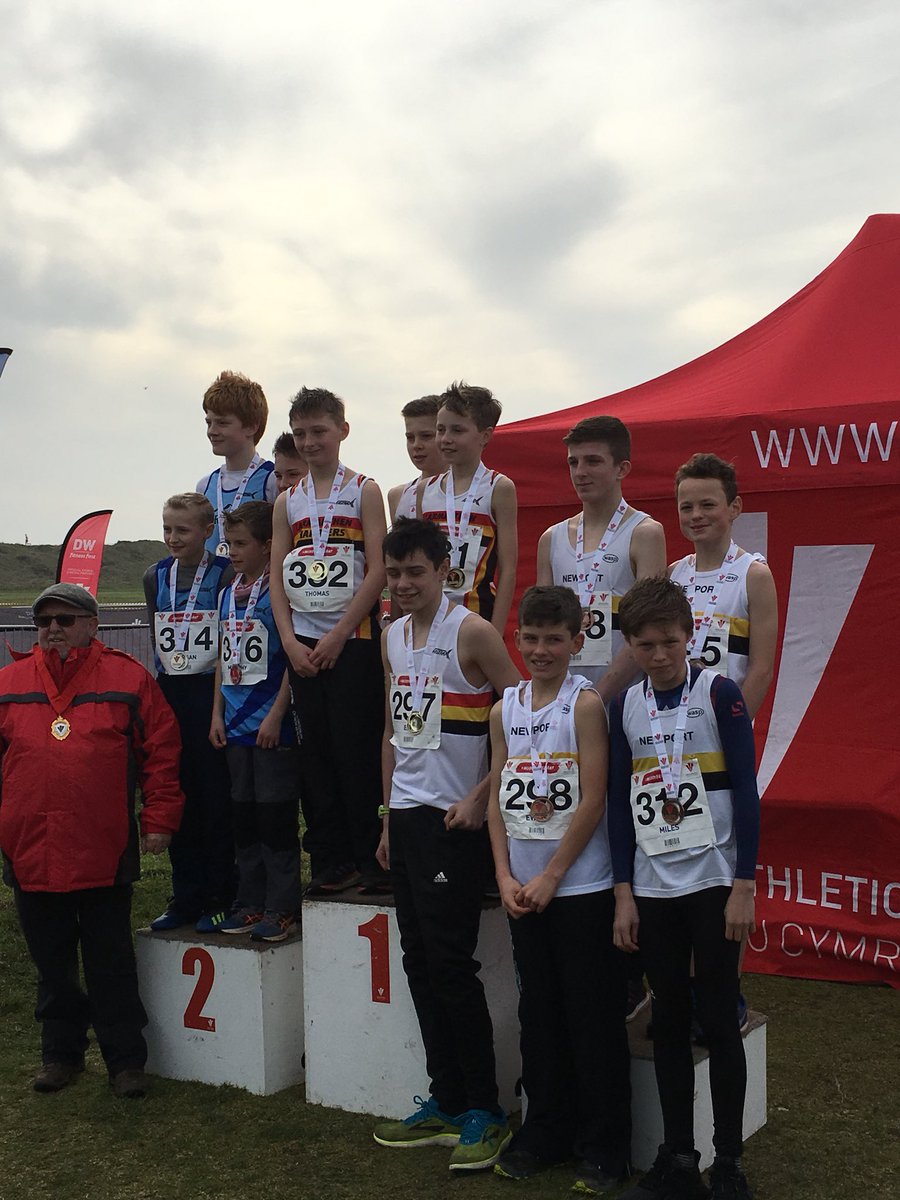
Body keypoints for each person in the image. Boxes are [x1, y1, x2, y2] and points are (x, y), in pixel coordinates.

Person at [372, 518, 520, 1172]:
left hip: (453, 823)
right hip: (405, 820)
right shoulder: (391, 636)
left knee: (451, 965)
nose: (404, 585)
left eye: (416, 573)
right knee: (417, 962)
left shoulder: (475, 632)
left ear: (443, 573)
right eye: (395, 573)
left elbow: (527, 718)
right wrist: (385, 818)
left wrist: (483, 795)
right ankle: (446, 1098)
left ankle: (486, 1110)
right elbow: (391, 733)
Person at [0, 583, 183, 1099]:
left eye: (64, 619)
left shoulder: (128, 678)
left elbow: (162, 753)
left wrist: (160, 817)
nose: (53, 629)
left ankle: (125, 1061)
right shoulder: (8, 683)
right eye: (44, 621)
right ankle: (60, 1056)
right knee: (52, 966)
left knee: (111, 963)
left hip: (103, 848)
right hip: (30, 850)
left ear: (91, 624)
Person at [608, 577, 759, 1200]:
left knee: (719, 1017)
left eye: (670, 641)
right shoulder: (625, 705)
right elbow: (619, 803)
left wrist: (744, 883)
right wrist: (623, 891)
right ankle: (678, 1157)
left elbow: (746, 794)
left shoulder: (720, 694)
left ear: (690, 635)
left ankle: (727, 1160)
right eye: (645, 645)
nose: (660, 654)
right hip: (654, 884)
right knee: (666, 1020)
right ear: (631, 646)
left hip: (715, 879)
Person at [487, 585, 632, 1192]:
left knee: (590, 1016)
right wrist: (503, 873)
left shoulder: (586, 705)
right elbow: (498, 794)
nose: (541, 650)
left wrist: (553, 875)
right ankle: (545, 1130)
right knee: (538, 1015)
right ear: (516, 640)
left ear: (578, 642)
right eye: (531, 638)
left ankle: (605, 1146)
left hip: (581, 889)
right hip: (523, 890)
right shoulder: (505, 708)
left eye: (554, 640)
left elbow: (594, 796)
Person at [269, 386, 387, 894]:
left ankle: (372, 857)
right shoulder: (286, 501)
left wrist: (340, 634)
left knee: (356, 752)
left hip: (354, 640)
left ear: (342, 429)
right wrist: (291, 643)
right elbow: (276, 577)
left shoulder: (364, 490)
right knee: (315, 758)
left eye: (319, 431)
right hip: (304, 647)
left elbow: (379, 569)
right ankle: (331, 859)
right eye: (301, 433)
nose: (310, 442)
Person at [210, 502, 302, 942]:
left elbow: (291, 657)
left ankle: (282, 907)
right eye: (228, 543)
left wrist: (278, 714)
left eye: (242, 544)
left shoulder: (280, 590)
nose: (232, 552)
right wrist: (216, 714)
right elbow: (222, 657)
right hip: (233, 723)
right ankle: (249, 902)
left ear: (268, 545)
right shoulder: (228, 592)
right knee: (243, 818)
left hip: (270, 725)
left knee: (275, 819)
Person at [144, 493, 235, 933]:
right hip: (171, 695)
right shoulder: (154, 575)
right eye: (167, 528)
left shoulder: (224, 574)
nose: (173, 538)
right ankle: (185, 895)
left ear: (206, 530)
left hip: (211, 694)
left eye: (182, 530)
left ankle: (220, 893)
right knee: (175, 792)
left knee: (214, 798)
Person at [536, 414, 667, 705]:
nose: (580, 472)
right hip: (565, 702)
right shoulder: (551, 539)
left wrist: (597, 697)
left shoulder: (645, 533)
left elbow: (646, 629)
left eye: (592, 461)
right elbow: (541, 629)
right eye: (573, 462)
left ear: (622, 468)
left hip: (627, 701)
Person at [669, 453, 777, 721]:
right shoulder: (672, 574)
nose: (696, 515)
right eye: (686, 507)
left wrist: (733, 730)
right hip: (672, 723)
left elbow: (761, 670)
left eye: (707, 505)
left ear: (734, 507)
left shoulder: (754, 575)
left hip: (723, 725)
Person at [420, 381, 518, 633]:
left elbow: (508, 569)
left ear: (484, 435)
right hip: (430, 617)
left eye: (457, 430)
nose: (446, 439)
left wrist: (495, 632)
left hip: (477, 617)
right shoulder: (426, 490)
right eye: (441, 430)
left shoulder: (499, 487)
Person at [197, 370, 278, 555]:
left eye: (222, 423)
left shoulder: (272, 479)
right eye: (209, 423)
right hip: (214, 583)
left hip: (258, 582)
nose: (212, 431)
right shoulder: (205, 485)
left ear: (251, 426)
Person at [387, 395, 444, 522]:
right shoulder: (398, 496)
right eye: (410, 438)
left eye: (426, 436)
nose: (416, 445)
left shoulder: (470, 490)